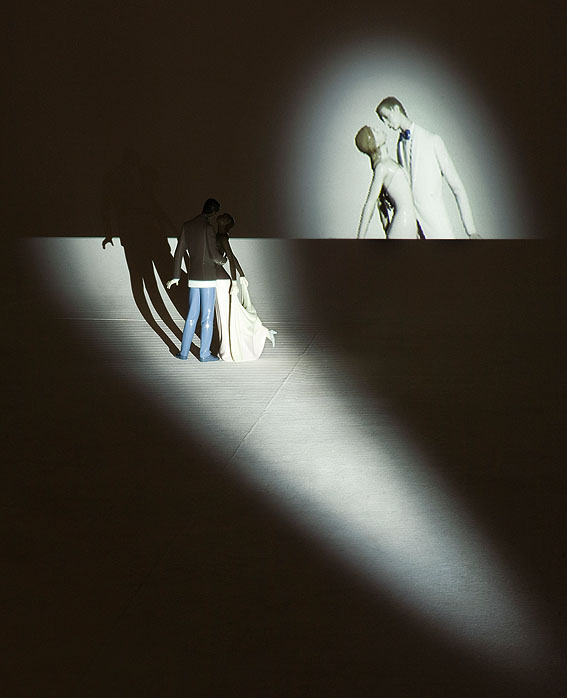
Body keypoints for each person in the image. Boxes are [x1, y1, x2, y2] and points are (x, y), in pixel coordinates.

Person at [376, 96, 477, 239]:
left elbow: (457, 187)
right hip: (414, 227)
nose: (386, 124)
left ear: (396, 109)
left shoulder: (433, 140)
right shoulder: (400, 145)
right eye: (383, 121)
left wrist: (471, 231)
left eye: (387, 117)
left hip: (437, 226)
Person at [166, 198, 225, 362]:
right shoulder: (208, 228)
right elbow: (214, 255)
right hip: (208, 278)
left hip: (193, 277)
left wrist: (176, 276)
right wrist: (224, 260)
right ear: (213, 212)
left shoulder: (187, 226)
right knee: (207, 317)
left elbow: (179, 252)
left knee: (191, 316)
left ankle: (183, 352)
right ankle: (204, 353)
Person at [214, 213, 276, 361]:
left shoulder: (222, 237)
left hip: (221, 281)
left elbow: (231, 258)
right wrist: (241, 275)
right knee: (227, 313)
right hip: (217, 279)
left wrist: (236, 281)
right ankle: (261, 332)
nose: (221, 216)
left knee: (227, 314)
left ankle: (229, 349)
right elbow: (232, 257)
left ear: (225, 223)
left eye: (225, 217)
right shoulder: (217, 235)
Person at [355, 125, 419, 239]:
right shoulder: (381, 168)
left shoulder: (389, 163)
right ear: (374, 143)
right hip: (403, 224)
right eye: (375, 131)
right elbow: (370, 203)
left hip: (409, 223)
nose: (378, 129)